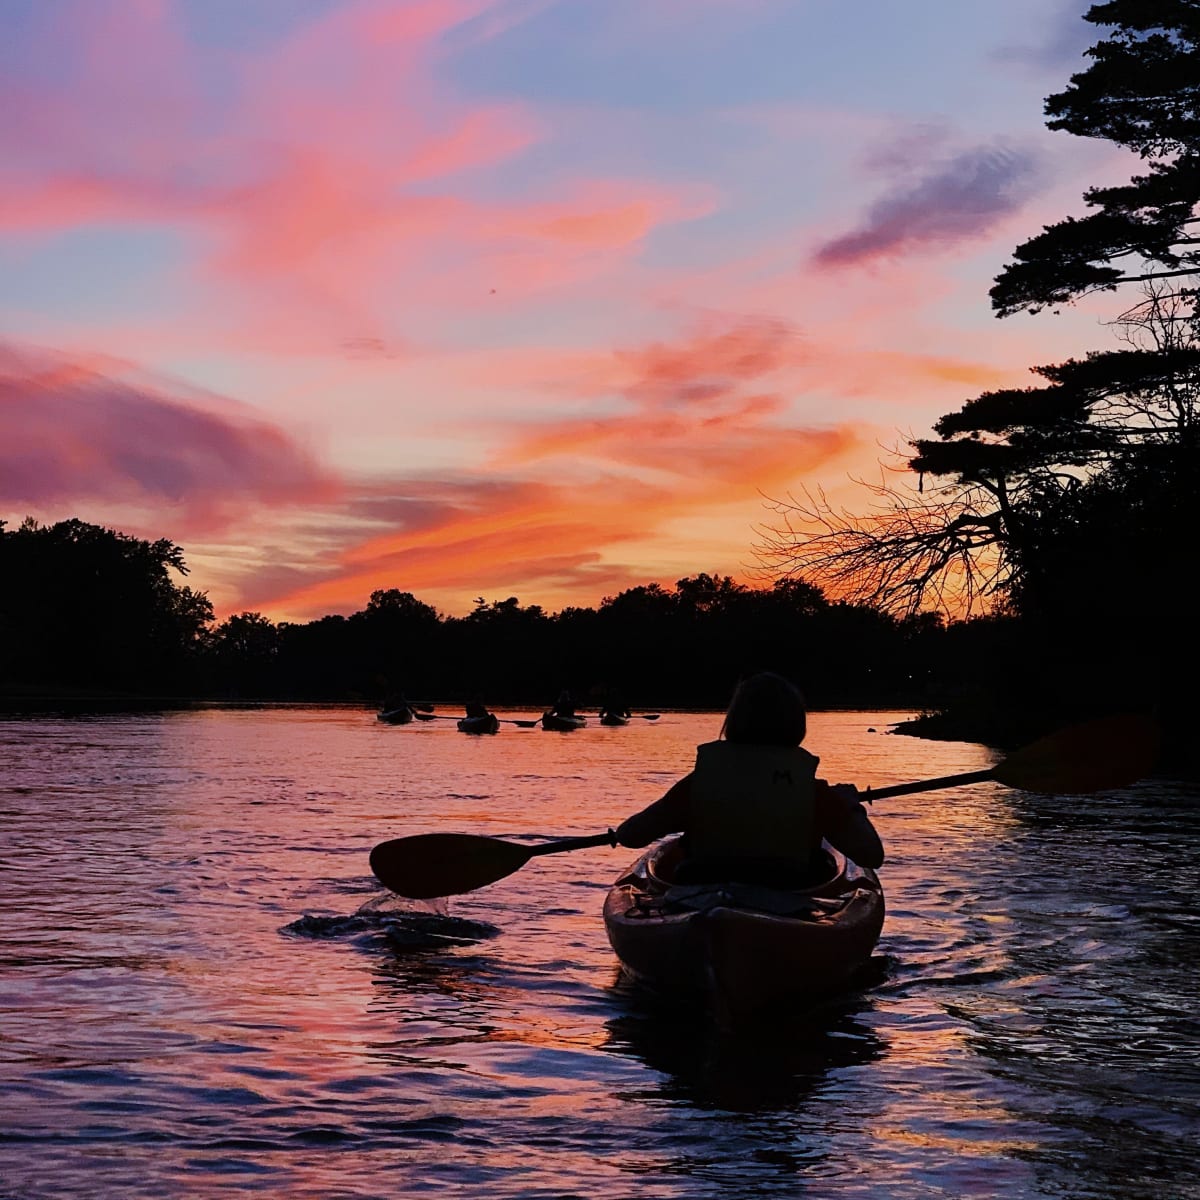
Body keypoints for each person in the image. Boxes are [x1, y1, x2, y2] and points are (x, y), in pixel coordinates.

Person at [615, 671, 883, 886]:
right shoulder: (815, 795)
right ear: (797, 725)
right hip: (789, 896)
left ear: (733, 721)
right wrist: (850, 806)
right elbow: (871, 854)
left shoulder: (700, 785)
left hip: (702, 892)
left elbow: (630, 836)